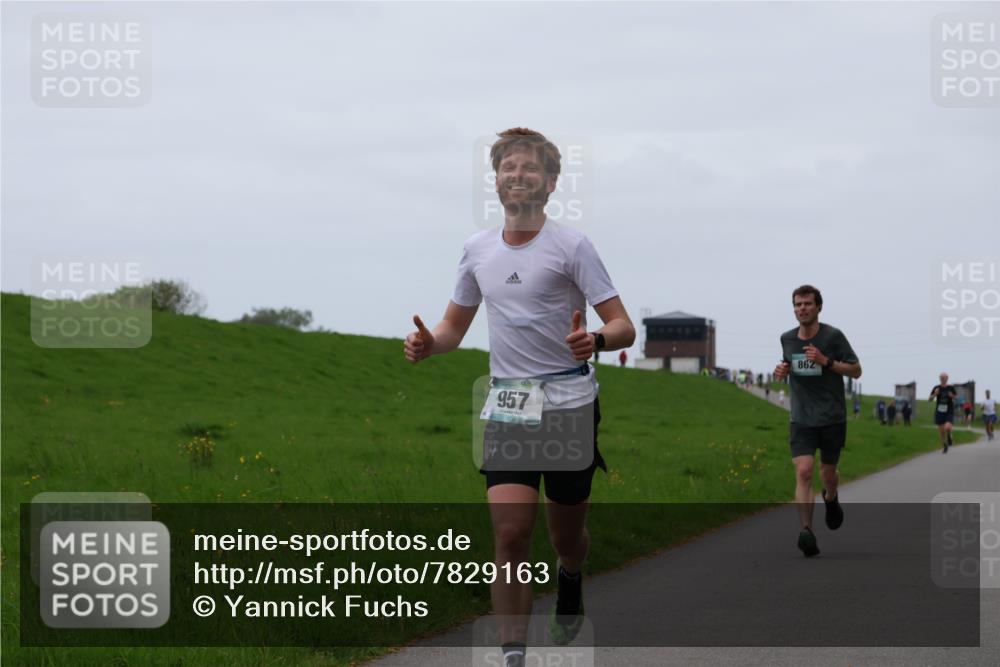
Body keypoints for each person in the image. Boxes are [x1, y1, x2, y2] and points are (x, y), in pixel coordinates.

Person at [403, 128, 635, 667]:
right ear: (497, 180)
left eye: (530, 168)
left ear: (551, 183)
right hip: (508, 407)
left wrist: (595, 340)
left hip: (569, 404)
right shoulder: (477, 250)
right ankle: (512, 657)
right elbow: (452, 330)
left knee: (565, 537)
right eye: (508, 166)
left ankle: (571, 576)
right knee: (509, 536)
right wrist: (426, 345)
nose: (518, 175)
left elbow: (624, 327)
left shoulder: (572, 246)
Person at [773, 285, 861, 558]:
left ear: (818, 307)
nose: (802, 308)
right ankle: (806, 531)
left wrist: (826, 361)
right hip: (801, 418)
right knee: (803, 471)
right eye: (798, 304)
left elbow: (856, 370)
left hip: (832, 417)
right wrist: (780, 371)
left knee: (827, 474)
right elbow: (789, 365)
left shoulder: (833, 336)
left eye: (808, 304)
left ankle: (831, 498)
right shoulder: (787, 339)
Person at [929, 373, 958, 453]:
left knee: (947, 427)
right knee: (941, 430)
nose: (942, 379)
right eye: (941, 378)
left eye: (944, 377)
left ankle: (949, 436)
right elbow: (929, 399)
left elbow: (957, 398)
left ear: (947, 378)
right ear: (939, 379)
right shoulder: (936, 388)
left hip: (949, 410)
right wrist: (935, 394)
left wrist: (952, 396)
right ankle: (944, 445)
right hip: (939, 411)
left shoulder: (951, 388)